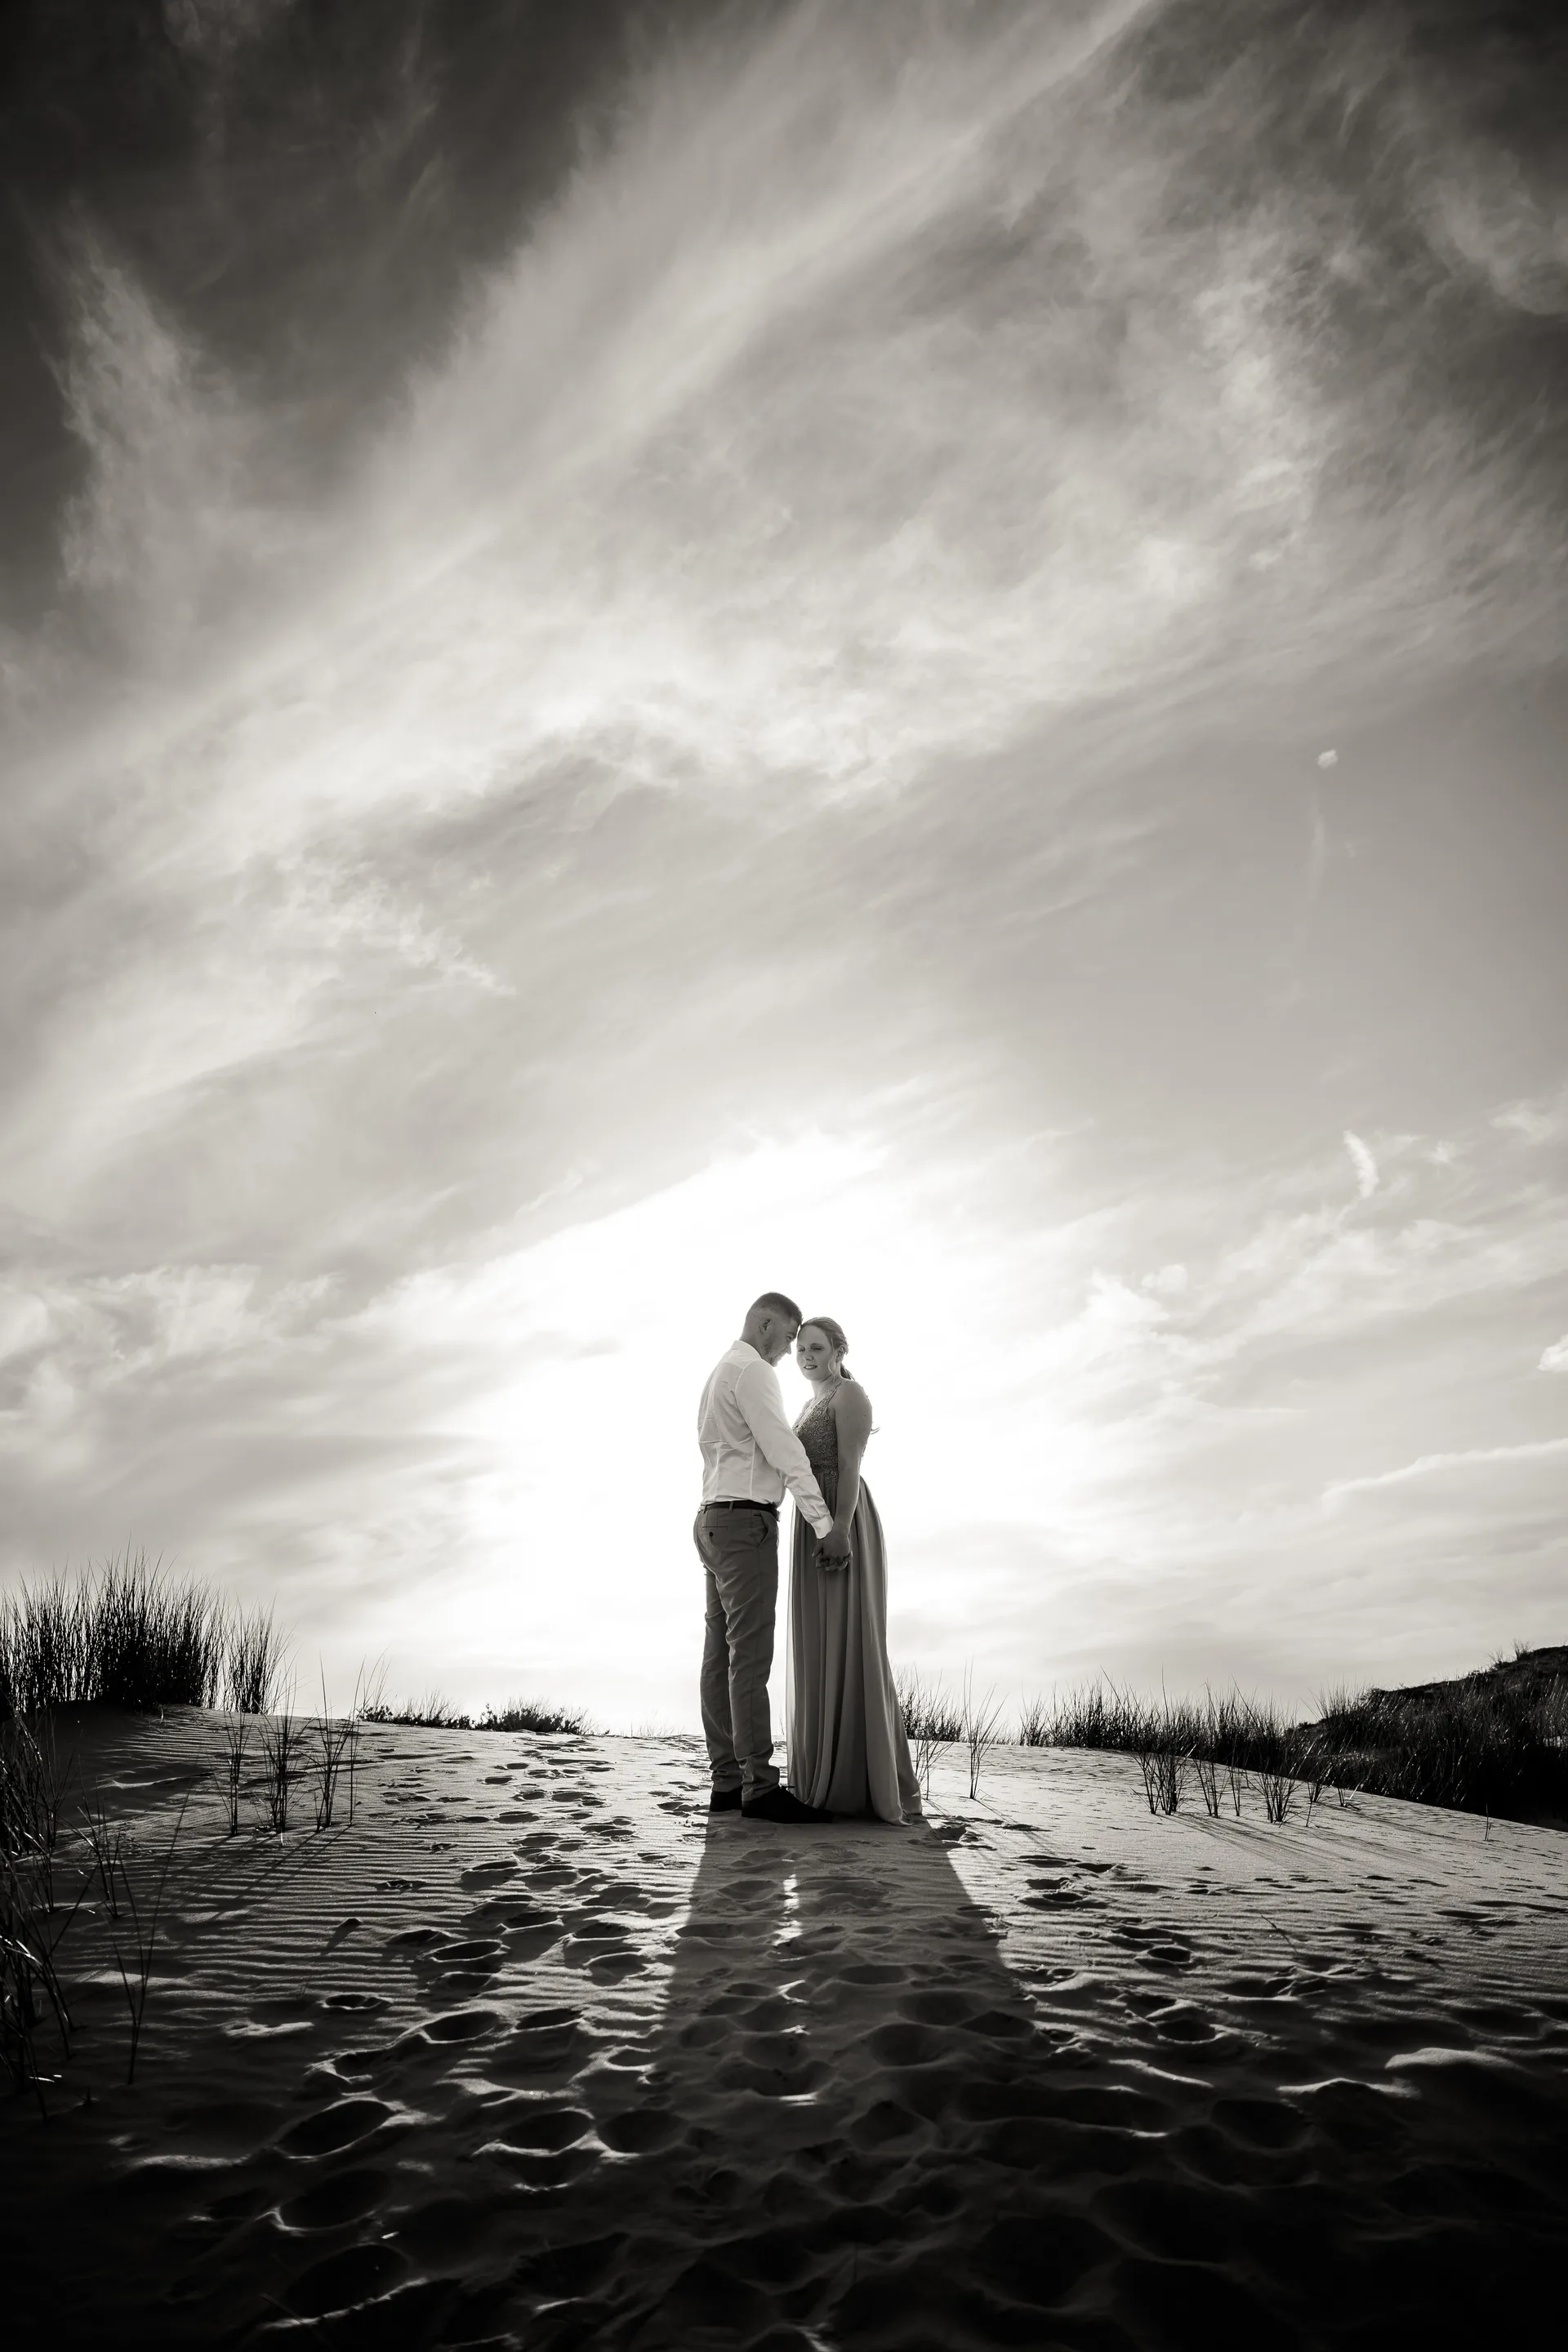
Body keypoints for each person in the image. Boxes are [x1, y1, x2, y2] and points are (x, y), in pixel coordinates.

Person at [696, 1292, 849, 1823]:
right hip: (744, 1527)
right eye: (787, 1338)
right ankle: (759, 1789)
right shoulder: (755, 1372)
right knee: (750, 1659)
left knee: (720, 1658)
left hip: (712, 1520)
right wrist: (826, 1525)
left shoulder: (719, 1372)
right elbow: (786, 1452)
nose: (788, 1352)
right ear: (765, 1324)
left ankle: (727, 1784)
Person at [786, 1316, 920, 1823]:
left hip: (842, 1522)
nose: (807, 1357)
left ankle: (857, 1785)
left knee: (850, 1642)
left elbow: (849, 1466)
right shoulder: (807, 1404)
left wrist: (839, 1529)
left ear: (839, 1349)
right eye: (801, 1350)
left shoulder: (850, 1395)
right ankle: (819, 1773)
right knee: (817, 1647)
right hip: (809, 1524)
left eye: (817, 1347)